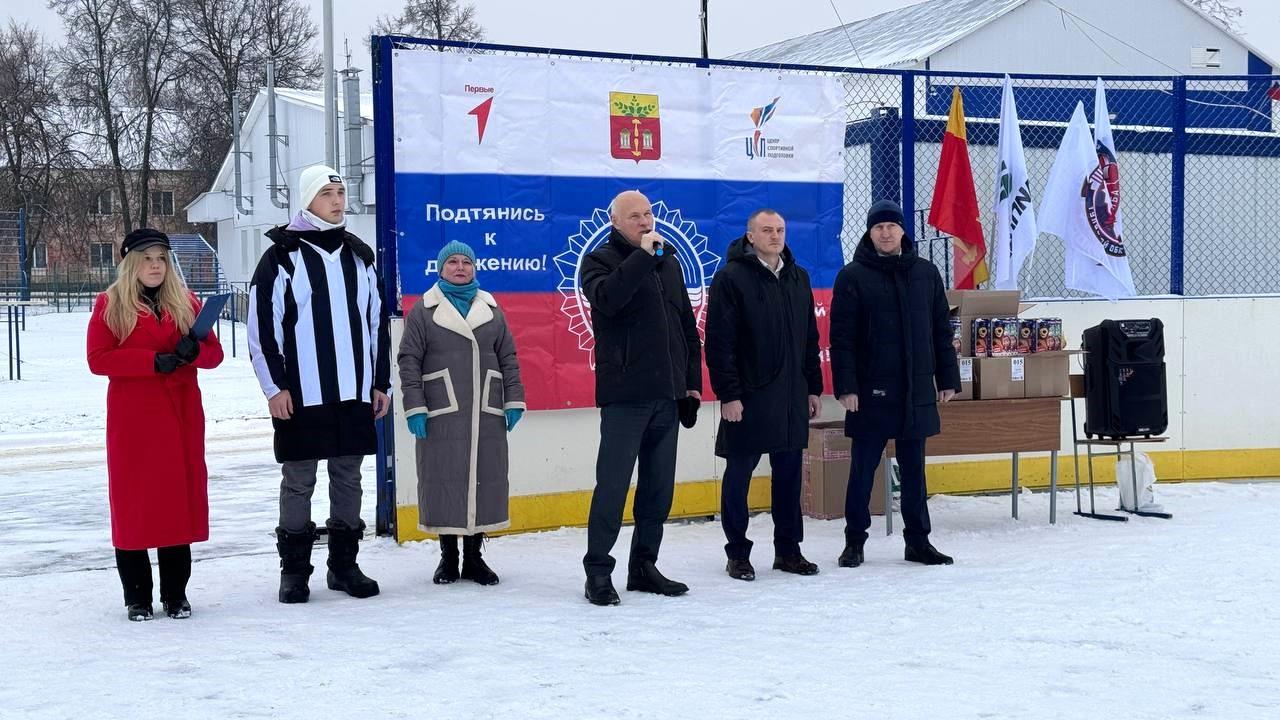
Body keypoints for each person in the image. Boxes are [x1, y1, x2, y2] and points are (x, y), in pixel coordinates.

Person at [247, 164, 391, 604]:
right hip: (301, 392)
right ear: (308, 198)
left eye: (341, 192)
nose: (337, 200)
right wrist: (275, 387)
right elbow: (263, 329)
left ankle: (344, 566)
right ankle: (295, 571)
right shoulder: (281, 256)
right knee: (299, 479)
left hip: (353, 390)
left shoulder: (359, 256)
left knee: (348, 476)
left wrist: (379, 382)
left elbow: (376, 325)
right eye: (327, 192)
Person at [86, 228, 225, 621]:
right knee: (136, 508)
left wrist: (192, 350)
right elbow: (98, 359)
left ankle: (176, 594)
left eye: (161, 258)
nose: (155, 266)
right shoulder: (110, 305)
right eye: (147, 258)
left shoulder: (187, 302)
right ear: (131, 263)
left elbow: (214, 355)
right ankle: (137, 597)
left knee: (175, 506)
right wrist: (150, 363)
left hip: (181, 417)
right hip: (135, 423)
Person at [578, 189, 703, 606]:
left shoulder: (668, 261)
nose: (645, 222)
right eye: (634, 217)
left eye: (648, 214)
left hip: (667, 397)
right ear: (615, 222)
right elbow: (609, 300)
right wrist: (642, 257)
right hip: (625, 397)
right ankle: (598, 572)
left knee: (657, 490)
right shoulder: (599, 262)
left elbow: (686, 326)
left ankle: (643, 566)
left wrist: (689, 383)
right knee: (612, 487)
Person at [830, 200, 961, 568]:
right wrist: (847, 386)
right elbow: (842, 339)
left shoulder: (925, 273)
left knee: (914, 472)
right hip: (871, 393)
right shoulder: (853, 276)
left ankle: (918, 542)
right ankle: (854, 542)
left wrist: (947, 378)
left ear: (903, 230)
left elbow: (940, 330)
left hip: (915, 390)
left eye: (891, 225)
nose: (885, 232)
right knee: (862, 471)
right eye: (878, 227)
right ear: (869, 233)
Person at [397, 241, 526, 586]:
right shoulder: (423, 311)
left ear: (474, 268)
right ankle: (448, 559)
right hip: (442, 411)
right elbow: (409, 360)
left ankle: (474, 559)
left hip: (486, 410)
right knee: (444, 480)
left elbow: (509, 358)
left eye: (465, 262)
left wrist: (513, 400)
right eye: (452, 262)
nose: (459, 267)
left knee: (482, 478)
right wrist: (415, 406)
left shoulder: (492, 310)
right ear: (440, 269)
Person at [704, 209, 823, 581]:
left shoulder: (798, 278)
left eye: (780, 230)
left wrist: (813, 386)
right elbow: (719, 343)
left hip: (791, 395)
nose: (775, 236)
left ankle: (788, 550)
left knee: (788, 476)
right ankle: (737, 553)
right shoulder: (731, 278)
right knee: (738, 475)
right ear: (750, 236)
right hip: (748, 397)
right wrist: (729, 394)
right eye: (767, 230)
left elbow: (809, 339)